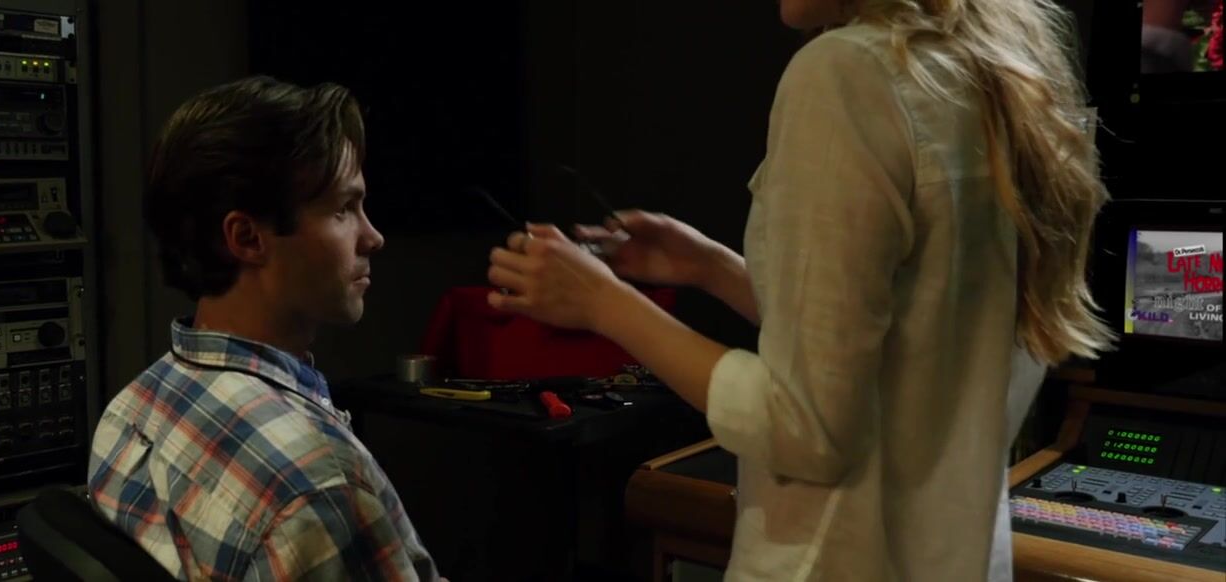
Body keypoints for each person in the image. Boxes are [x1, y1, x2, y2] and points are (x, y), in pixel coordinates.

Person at [486, 0, 1114, 580]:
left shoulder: (849, 73)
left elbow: (805, 430)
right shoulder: (999, 76)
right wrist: (715, 269)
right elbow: (907, 343)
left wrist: (603, 304)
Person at [87, 76, 440, 581]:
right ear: (248, 238)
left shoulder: (130, 411)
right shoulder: (319, 492)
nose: (374, 237)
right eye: (343, 208)